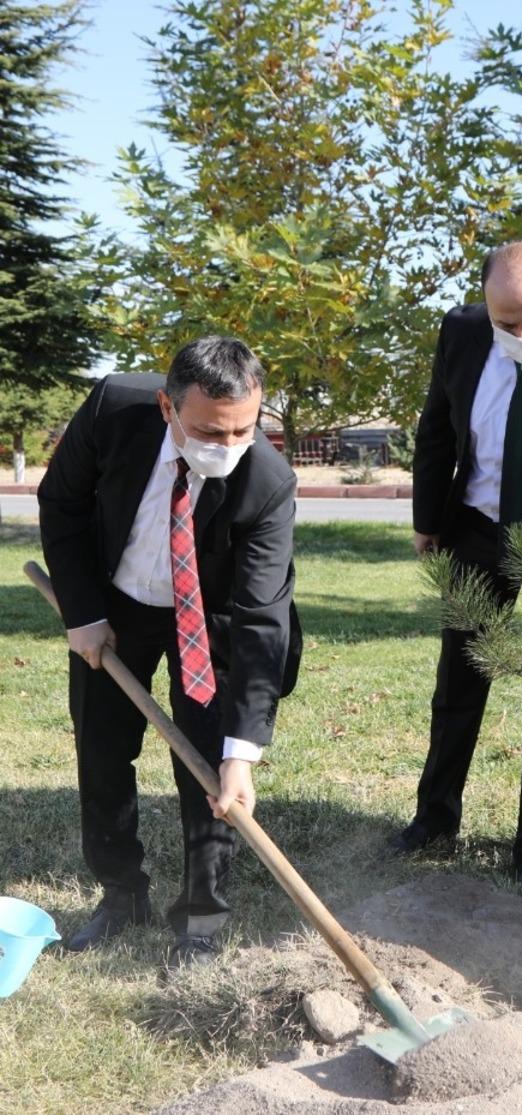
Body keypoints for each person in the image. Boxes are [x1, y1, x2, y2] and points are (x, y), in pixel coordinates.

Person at [38, 337, 302, 967]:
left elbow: (262, 618)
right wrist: (85, 615)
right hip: (117, 602)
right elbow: (62, 502)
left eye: (245, 429)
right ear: (167, 407)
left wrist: (243, 752)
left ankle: (203, 919)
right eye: (212, 431)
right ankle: (122, 894)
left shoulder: (266, 480)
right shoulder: (113, 409)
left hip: (209, 619)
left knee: (210, 769)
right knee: (101, 748)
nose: (230, 446)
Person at [390, 241, 522, 897]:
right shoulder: (459, 331)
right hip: (476, 523)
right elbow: (437, 430)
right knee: (459, 679)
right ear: (484, 301)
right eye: (507, 321)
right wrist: (427, 521)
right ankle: (434, 818)